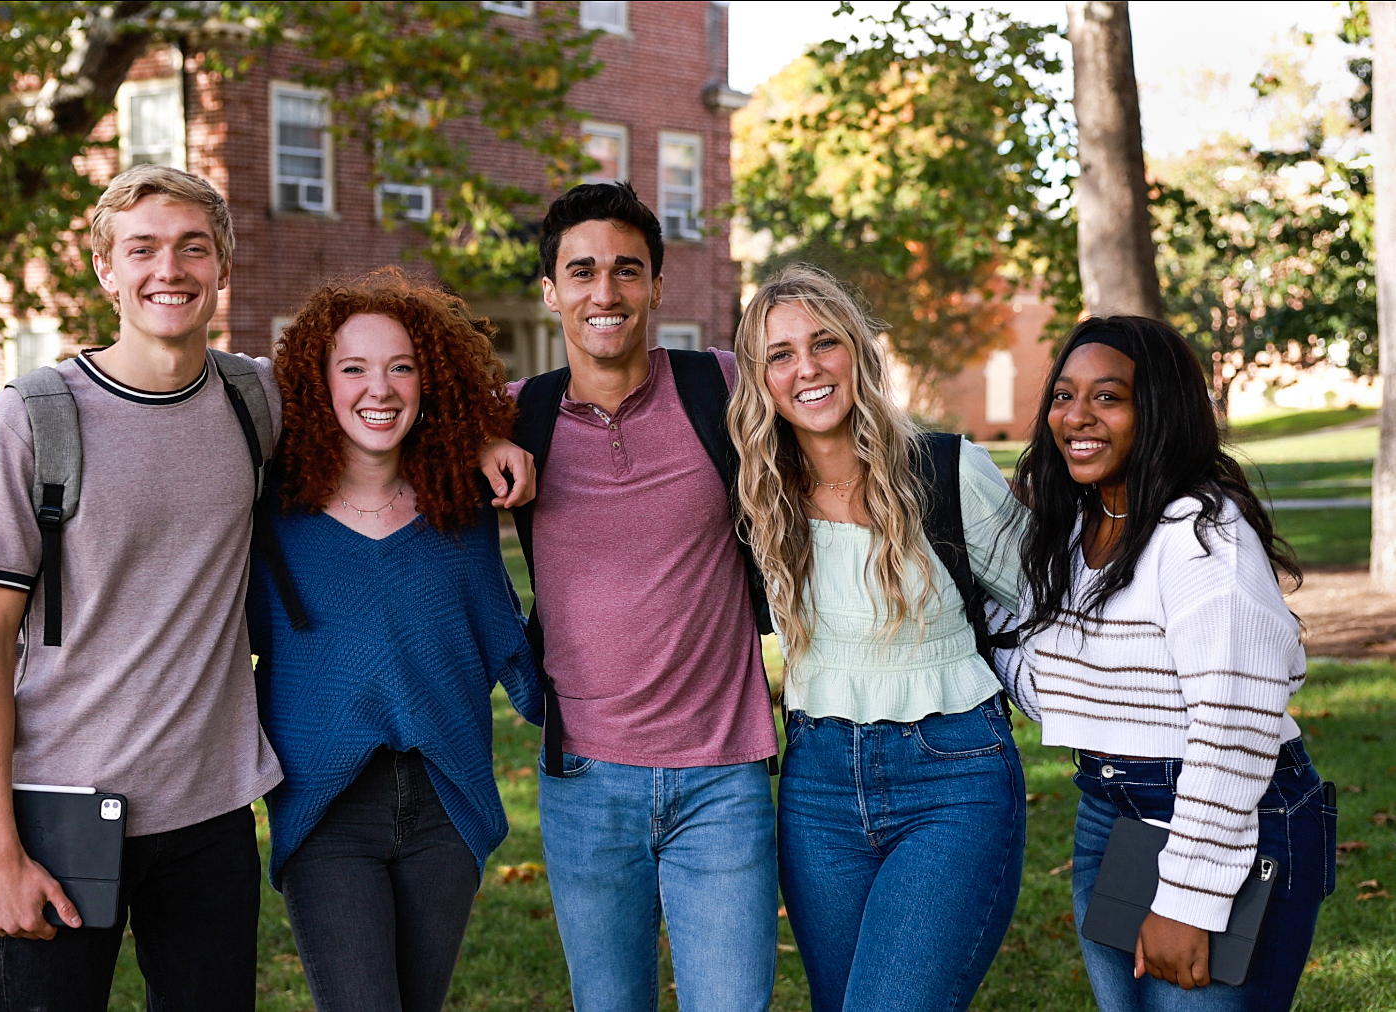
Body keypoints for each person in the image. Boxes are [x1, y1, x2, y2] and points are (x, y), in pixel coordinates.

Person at [0, 164, 533, 1012]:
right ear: (105, 268)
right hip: (61, 809)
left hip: (211, 813)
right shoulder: (34, 418)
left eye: (193, 247)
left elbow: (384, 399)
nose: (169, 269)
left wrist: (480, 439)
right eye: (142, 249)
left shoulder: (253, 400)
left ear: (223, 266)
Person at [1005, 316, 1333, 1012]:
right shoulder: (1076, 530)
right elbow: (1059, 691)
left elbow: (1235, 726)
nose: (1076, 416)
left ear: (1159, 409)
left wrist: (1188, 898)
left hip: (1222, 818)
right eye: (1064, 395)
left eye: (1108, 397)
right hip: (1110, 812)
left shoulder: (1201, 535)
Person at [508, 182, 779, 1012]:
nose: (606, 291)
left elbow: (840, 424)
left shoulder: (721, 387)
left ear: (657, 286)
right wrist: (481, 437)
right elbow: (389, 417)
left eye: (627, 270)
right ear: (550, 290)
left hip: (723, 776)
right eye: (582, 271)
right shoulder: (520, 415)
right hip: (584, 780)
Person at [728, 264, 1027, 1012]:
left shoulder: (948, 471)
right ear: (761, 382)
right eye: (781, 355)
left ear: (858, 350)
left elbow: (1047, 605)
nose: (807, 368)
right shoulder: (760, 502)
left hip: (953, 776)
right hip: (817, 786)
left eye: (824, 342)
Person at [247, 269, 544, 1012]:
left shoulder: (461, 509)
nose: (378, 389)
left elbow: (509, 647)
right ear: (318, 383)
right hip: (326, 808)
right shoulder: (270, 513)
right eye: (353, 368)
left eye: (401, 367)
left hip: (444, 802)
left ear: (429, 381)